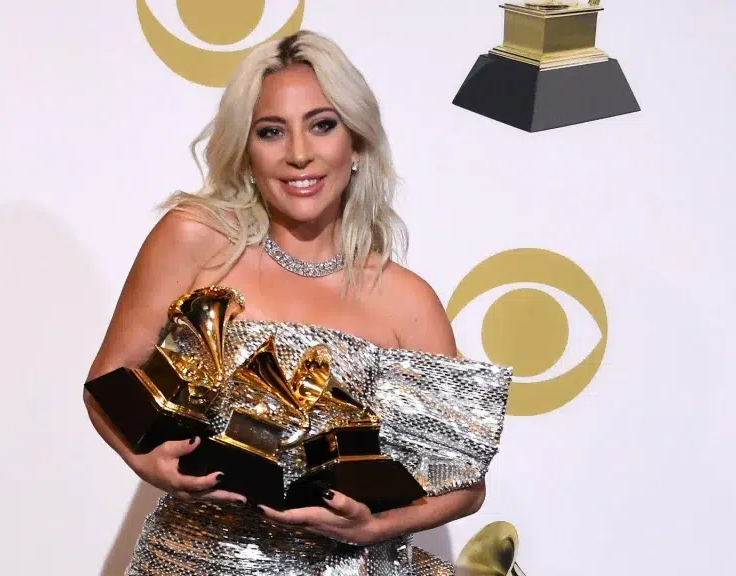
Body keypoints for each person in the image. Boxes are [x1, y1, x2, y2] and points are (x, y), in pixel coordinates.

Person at [84, 30, 512, 576]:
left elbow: (465, 484)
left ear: (355, 143)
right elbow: (108, 381)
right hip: (192, 561)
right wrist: (148, 463)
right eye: (271, 132)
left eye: (322, 125)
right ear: (246, 149)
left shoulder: (407, 300)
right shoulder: (195, 239)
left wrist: (376, 526)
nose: (299, 154)